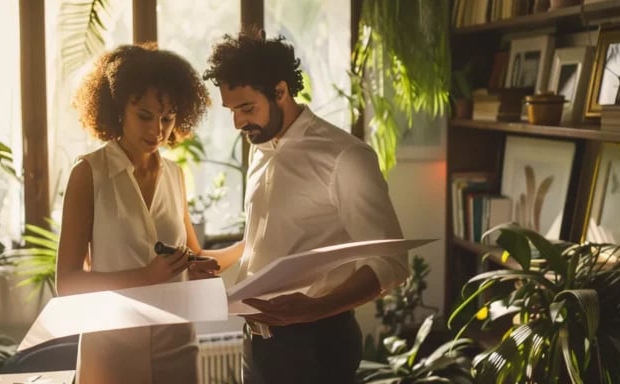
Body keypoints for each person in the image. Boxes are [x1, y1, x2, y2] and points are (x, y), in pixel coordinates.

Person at [193, 28, 409, 384]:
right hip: (258, 342)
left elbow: (390, 262)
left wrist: (315, 308)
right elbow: (269, 239)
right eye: (232, 110)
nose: (238, 122)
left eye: (247, 108)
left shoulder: (346, 157)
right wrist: (217, 258)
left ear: (280, 91)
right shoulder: (259, 147)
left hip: (316, 346)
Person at [56, 42, 217, 384]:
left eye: (168, 118)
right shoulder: (88, 174)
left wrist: (248, 249)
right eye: (144, 116)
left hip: (178, 346)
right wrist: (146, 276)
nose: (157, 130)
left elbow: (195, 256)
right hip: (111, 352)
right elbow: (67, 283)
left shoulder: (175, 176)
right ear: (117, 109)